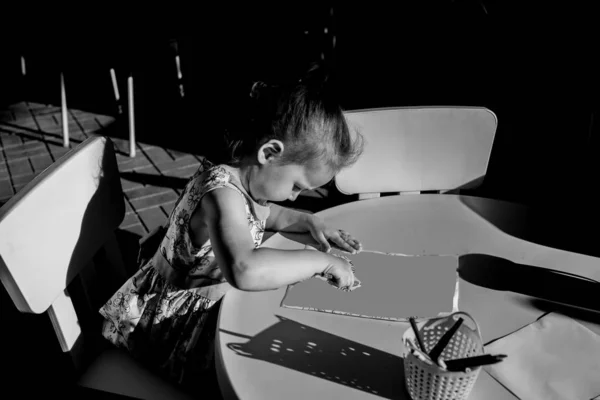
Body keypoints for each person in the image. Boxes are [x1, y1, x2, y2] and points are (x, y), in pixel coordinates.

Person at [99, 65, 364, 396]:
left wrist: (308, 221)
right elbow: (244, 268)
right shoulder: (220, 194)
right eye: (297, 186)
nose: (295, 196)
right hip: (167, 332)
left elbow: (265, 215)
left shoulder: (245, 180)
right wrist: (320, 262)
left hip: (205, 313)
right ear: (269, 153)